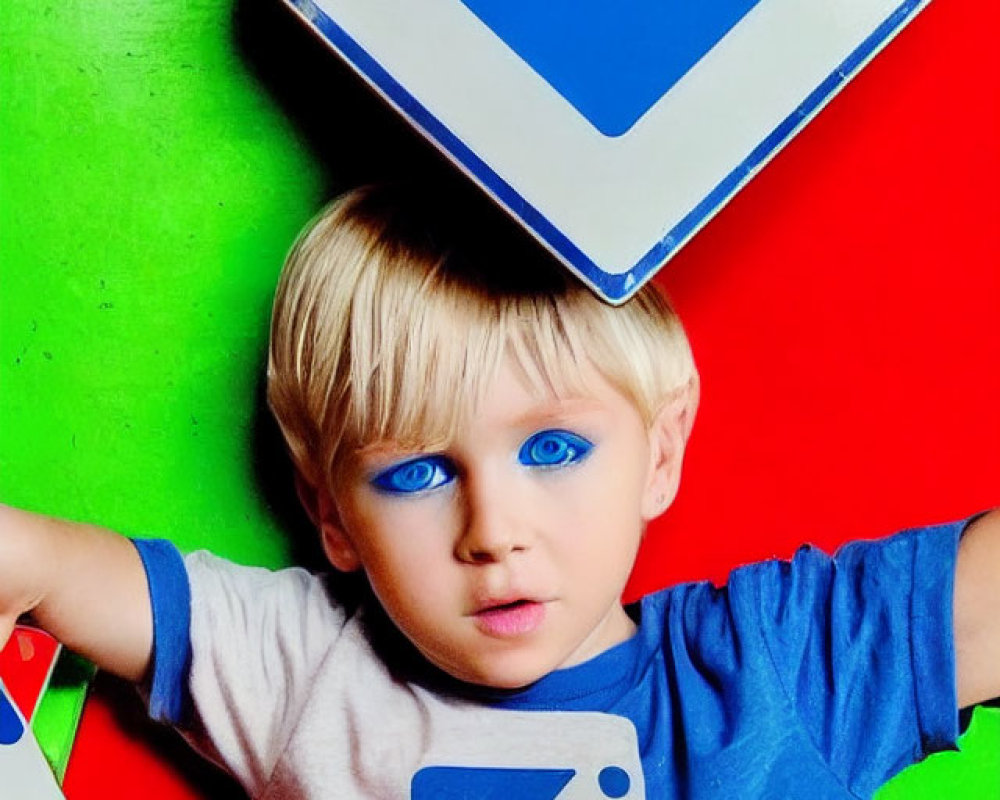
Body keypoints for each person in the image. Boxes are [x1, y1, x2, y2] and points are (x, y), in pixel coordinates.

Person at [0, 185, 997, 799]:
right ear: (331, 514)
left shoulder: (769, 672)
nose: (494, 530)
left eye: (556, 447)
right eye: (418, 473)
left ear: (660, 449)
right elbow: (54, 563)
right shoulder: (312, 670)